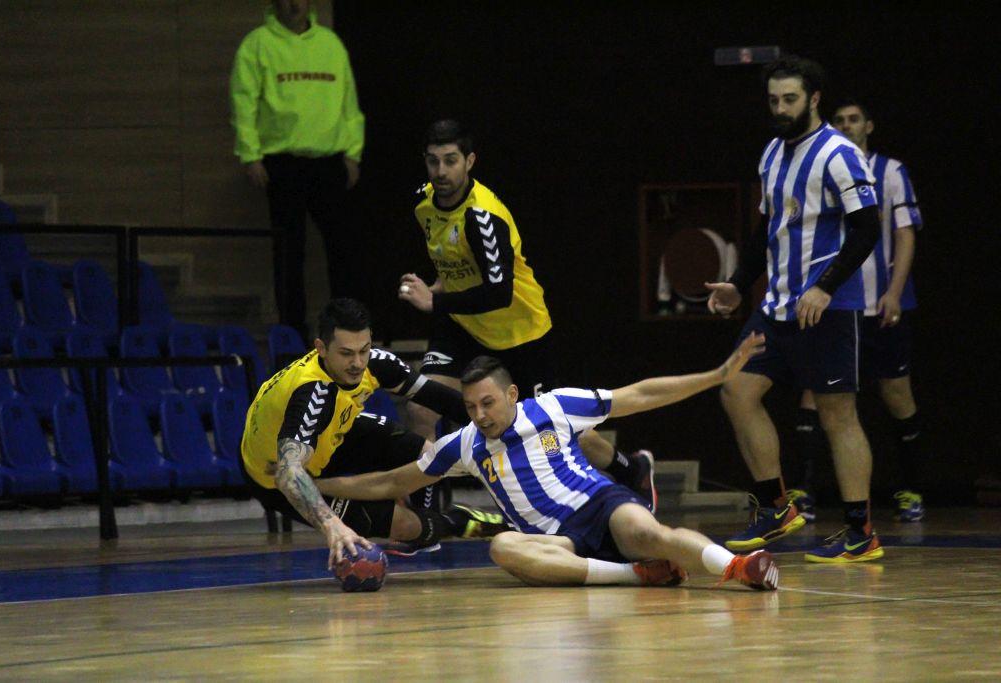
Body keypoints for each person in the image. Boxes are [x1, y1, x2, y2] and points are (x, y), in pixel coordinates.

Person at [315, 334, 781, 591]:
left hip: (600, 505)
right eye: (471, 407)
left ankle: (739, 567)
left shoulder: (555, 406)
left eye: (488, 403)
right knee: (503, 548)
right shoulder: (463, 444)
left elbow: (639, 394)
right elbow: (391, 482)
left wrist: (717, 376)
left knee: (648, 534)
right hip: (558, 544)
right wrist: (318, 488)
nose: (480, 415)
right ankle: (634, 575)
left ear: (512, 394)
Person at [398, 119, 657, 510]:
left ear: (470, 161)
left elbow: (499, 293)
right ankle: (424, 519)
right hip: (462, 326)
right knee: (421, 406)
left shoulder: (483, 216)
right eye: (433, 161)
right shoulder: (423, 201)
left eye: (451, 161)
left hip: (519, 333)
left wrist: (435, 303)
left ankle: (630, 468)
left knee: (551, 429)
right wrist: (441, 284)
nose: (441, 171)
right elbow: (451, 253)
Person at [705, 55, 885, 563]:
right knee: (736, 390)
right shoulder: (771, 153)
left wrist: (825, 287)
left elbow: (867, 229)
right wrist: (738, 284)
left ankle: (860, 532)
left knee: (837, 415)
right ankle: (776, 508)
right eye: (773, 100)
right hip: (778, 304)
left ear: (814, 99)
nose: (780, 108)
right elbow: (766, 229)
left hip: (828, 306)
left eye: (790, 99)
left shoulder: (838, 153)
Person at [239, 298, 506, 567]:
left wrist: (507, 430)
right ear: (321, 348)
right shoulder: (311, 394)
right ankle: (455, 522)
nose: (357, 363)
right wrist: (332, 525)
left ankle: (427, 530)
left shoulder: (375, 363)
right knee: (404, 524)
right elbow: (288, 473)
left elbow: (441, 399)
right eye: (346, 353)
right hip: (274, 478)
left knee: (426, 452)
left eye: (363, 350)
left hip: (334, 433)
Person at [788, 99, 927, 523]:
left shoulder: (891, 172)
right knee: (815, 393)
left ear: (869, 125)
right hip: (834, 304)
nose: (847, 125)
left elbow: (905, 235)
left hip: (882, 305)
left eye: (854, 119)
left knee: (896, 392)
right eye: (840, 120)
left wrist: (894, 291)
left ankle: (911, 489)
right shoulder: (821, 167)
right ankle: (804, 491)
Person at [230, 0, 366, 340]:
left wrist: (353, 154)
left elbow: (349, 105)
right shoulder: (257, 44)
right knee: (289, 252)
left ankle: (348, 329)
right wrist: (251, 156)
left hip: (329, 161)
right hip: (282, 163)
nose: (294, 4)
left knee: (344, 248)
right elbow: (243, 103)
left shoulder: (330, 44)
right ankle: (292, 333)